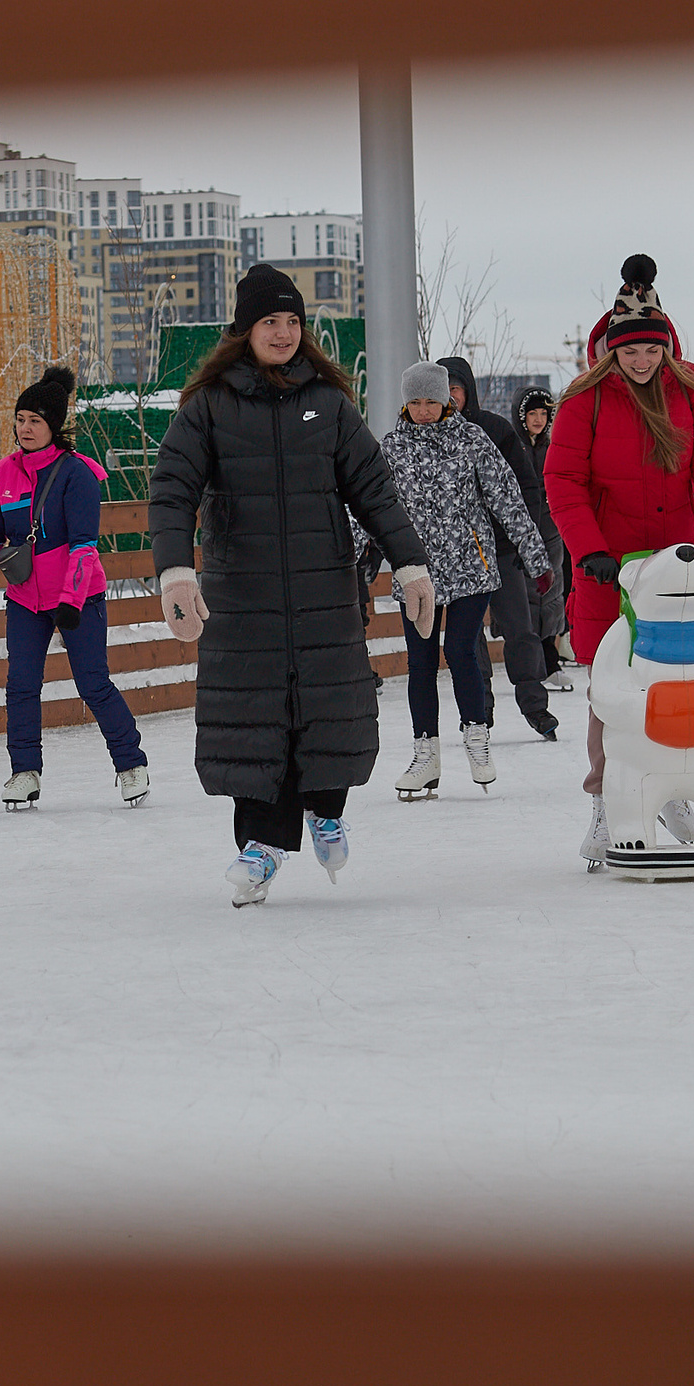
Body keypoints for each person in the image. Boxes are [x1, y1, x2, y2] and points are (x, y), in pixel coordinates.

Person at [148, 263, 432, 906]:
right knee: (252, 718)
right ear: (244, 329)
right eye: (270, 322)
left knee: (329, 710)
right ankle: (259, 847)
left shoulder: (329, 404)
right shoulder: (210, 406)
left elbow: (376, 493)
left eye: (293, 322)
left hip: (321, 591)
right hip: (243, 594)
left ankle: (325, 808)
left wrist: (410, 564)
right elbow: (170, 490)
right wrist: (175, 570)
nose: (283, 333)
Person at [540, 254, 694, 864]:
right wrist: (590, 550)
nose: (642, 361)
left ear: (666, 348)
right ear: (610, 350)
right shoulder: (585, 401)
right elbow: (563, 479)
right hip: (609, 567)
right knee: (612, 688)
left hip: (677, 568)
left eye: (652, 350)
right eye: (630, 352)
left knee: (679, 677)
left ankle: (672, 789)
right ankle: (605, 803)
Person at [0, 364, 150, 810]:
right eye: (21, 419)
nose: (25, 428)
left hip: (78, 598)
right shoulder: (5, 472)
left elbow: (84, 547)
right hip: (25, 597)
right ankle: (24, 772)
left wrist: (70, 601)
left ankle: (130, 764)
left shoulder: (76, 474)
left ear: (54, 426)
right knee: (21, 685)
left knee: (93, 684)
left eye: (35, 421)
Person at [364, 361, 548, 793]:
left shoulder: (471, 439)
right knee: (421, 663)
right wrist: (354, 556)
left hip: (471, 567)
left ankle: (476, 738)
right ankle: (425, 754)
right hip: (416, 574)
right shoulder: (392, 448)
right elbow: (370, 505)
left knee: (462, 649)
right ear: (405, 403)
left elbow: (507, 498)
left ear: (447, 399)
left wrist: (535, 558)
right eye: (416, 402)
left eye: (432, 401)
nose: (425, 410)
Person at [440, 355, 558, 737]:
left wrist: (525, 544)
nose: (449, 398)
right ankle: (479, 710)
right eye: (441, 392)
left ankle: (535, 706)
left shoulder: (494, 429)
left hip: (503, 550)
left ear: (467, 391)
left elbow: (527, 488)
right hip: (459, 557)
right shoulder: (428, 435)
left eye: (454, 390)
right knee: (468, 638)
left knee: (521, 631)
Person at [516, 386, 572, 683]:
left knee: (552, 591)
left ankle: (550, 659)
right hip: (521, 531)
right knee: (524, 596)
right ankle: (533, 661)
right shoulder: (512, 446)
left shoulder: (554, 446)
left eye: (543, 413)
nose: (538, 419)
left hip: (552, 531)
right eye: (532, 413)